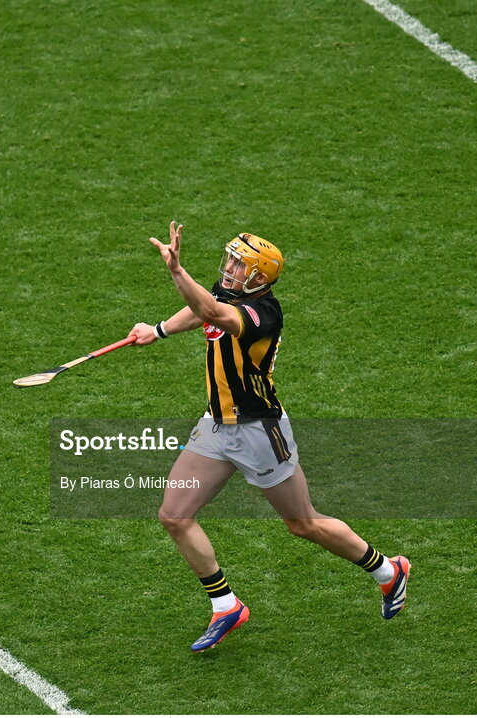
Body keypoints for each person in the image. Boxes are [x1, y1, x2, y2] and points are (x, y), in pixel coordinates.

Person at [128, 220, 410, 654]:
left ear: (260, 277)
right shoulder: (230, 293)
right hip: (216, 426)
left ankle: (389, 571)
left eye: (239, 266)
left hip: (260, 432)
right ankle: (226, 606)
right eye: (230, 261)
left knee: (303, 523)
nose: (228, 270)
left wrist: (177, 273)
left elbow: (211, 312)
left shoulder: (261, 314)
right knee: (174, 515)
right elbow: (206, 304)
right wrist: (160, 329)